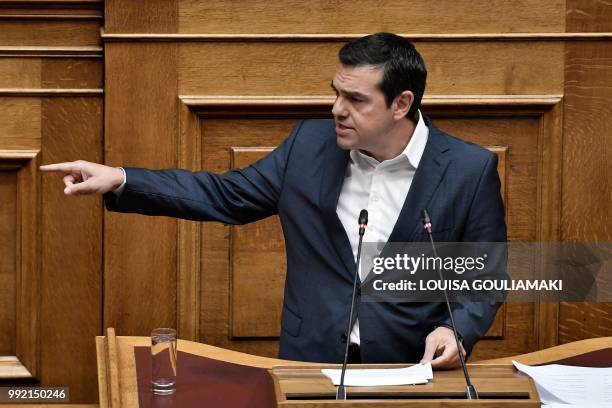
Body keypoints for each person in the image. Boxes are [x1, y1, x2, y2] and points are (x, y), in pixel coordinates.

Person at [41, 33, 506, 369]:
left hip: (411, 369)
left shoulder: (468, 170)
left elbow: (487, 274)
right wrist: (122, 178)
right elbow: (224, 195)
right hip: (309, 364)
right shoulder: (309, 146)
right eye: (335, 93)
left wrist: (458, 330)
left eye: (355, 99)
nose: (336, 110)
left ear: (401, 104)